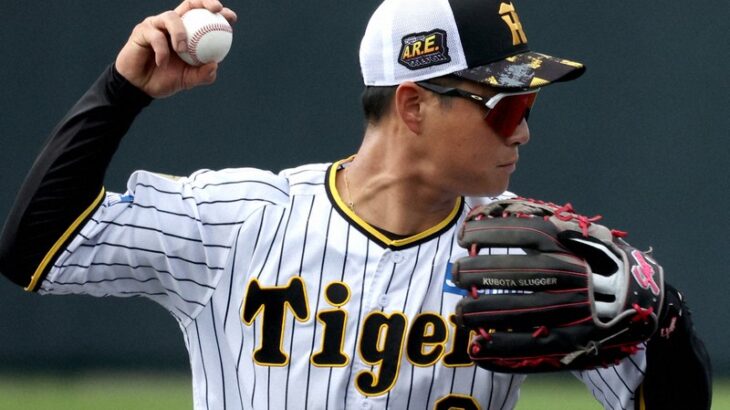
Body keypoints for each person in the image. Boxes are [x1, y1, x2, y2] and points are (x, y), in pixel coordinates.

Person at [0, 0, 711, 409]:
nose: (523, 127)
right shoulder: (239, 221)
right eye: (506, 103)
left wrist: (665, 321)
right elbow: (36, 248)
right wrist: (122, 91)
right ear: (413, 106)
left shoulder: (530, 251)